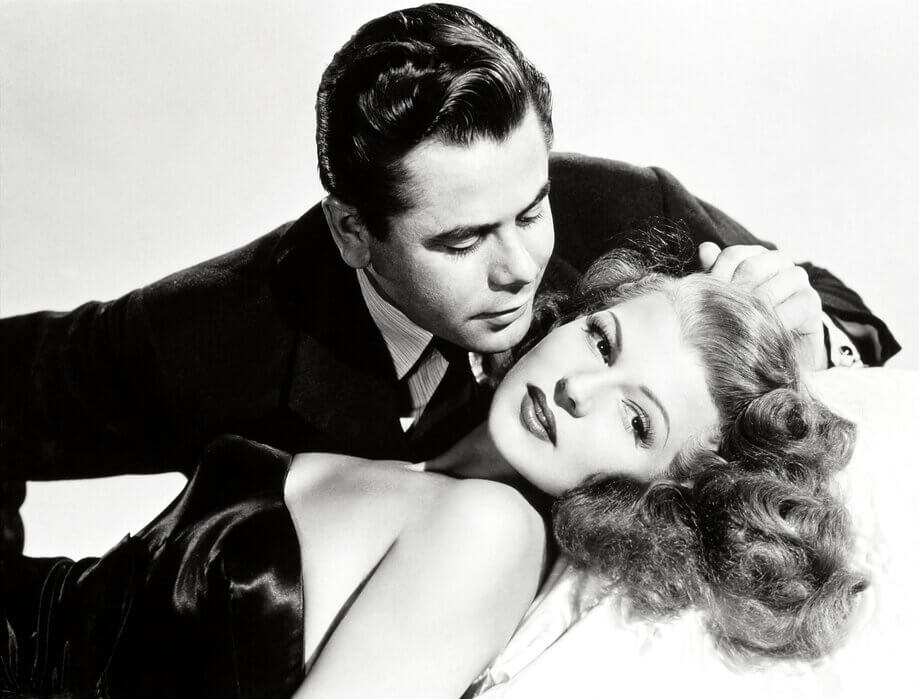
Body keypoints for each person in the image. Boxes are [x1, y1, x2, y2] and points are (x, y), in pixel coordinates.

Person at [0, 3, 897, 556]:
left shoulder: (625, 209)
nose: (519, 268)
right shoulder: (216, 333)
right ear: (353, 232)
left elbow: (863, 327)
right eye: (462, 241)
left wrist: (810, 332)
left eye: (530, 211)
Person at [0, 237, 865, 698]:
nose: (577, 389)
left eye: (635, 419)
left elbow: (861, 329)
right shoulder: (443, 453)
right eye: (601, 341)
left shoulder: (492, 538)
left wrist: (817, 333)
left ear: (663, 499)